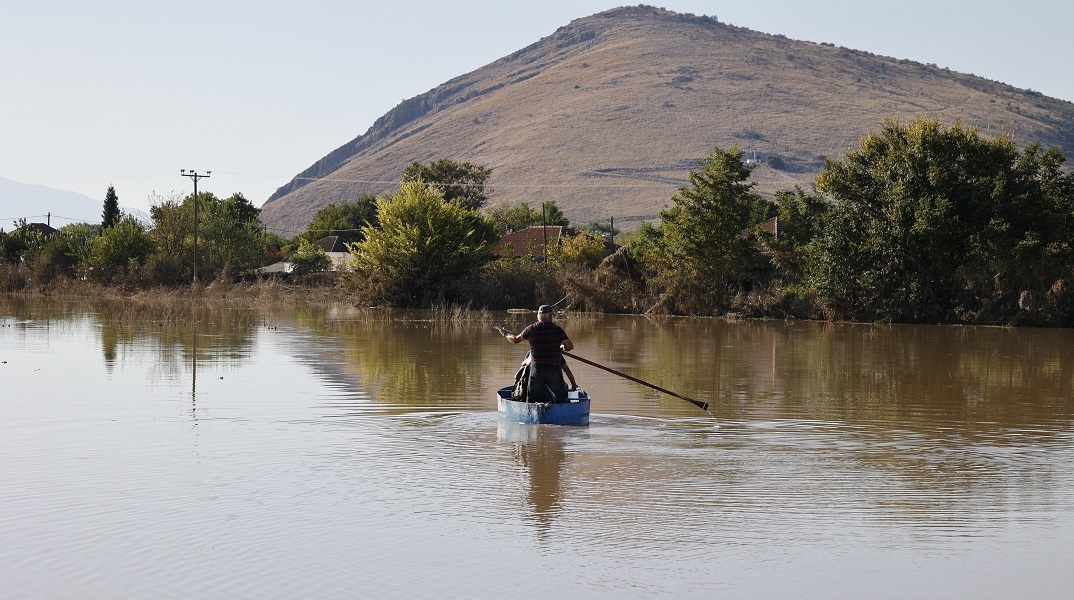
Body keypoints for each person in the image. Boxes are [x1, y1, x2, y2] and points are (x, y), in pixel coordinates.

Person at [500, 305, 574, 403]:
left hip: (537, 369)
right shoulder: (557, 330)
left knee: (532, 401)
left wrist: (505, 334)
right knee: (560, 401)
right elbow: (569, 347)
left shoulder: (531, 329)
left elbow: (515, 340)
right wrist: (561, 347)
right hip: (553, 369)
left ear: (538, 316)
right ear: (551, 316)